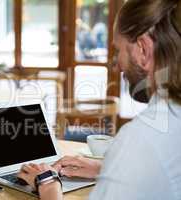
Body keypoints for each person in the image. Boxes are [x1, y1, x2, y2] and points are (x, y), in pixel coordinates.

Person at [18, 0, 181, 199]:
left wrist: (48, 183)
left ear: (143, 49)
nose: (117, 67)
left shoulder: (141, 139)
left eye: (118, 51)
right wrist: (106, 168)